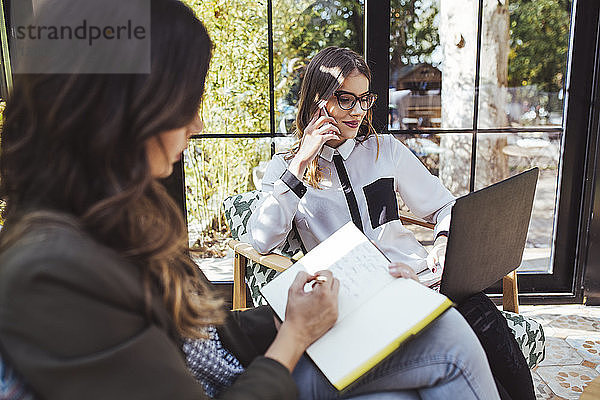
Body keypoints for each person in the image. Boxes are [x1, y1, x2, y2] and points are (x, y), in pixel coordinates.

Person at [0, 2, 500, 399]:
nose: (196, 125)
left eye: (363, 99)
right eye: (187, 105)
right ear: (123, 113)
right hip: (251, 371)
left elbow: (200, 333)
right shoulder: (54, 268)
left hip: (344, 303)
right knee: (451, 342)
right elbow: (258, 240)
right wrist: (293, 334)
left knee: (440, 345)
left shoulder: (122, 215)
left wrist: (293, 314)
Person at [247, 46, 535, 400]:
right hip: (355, 305)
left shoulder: (385, 150)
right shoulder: (285, 167)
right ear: (318, 101)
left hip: (421, 283)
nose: (357, 112)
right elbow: (261, 239)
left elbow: (446, 206)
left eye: (364, 99)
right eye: (345, 100)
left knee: (498, 349)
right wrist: (302, 161)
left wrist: (443, 243)